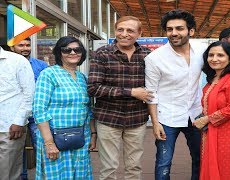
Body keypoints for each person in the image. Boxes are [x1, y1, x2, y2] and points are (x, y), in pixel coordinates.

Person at [87, 16, 152, 180]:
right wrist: (130, 92)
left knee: (134, 167)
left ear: (139, 33)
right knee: (108, 168)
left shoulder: (148, 55)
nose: (124, 34)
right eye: (120, 30)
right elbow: (93, 88)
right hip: (109, 118)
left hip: (137, 119)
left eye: (130, 30)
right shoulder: (102, 53)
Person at [145, 9, 204, 180]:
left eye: (179, 28)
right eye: (169, 29)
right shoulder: (155, 58)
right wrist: (155, 123)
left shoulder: (202, 51)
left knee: (200, 158)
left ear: (190, 31)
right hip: (166, 117)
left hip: (195, 114)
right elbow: (151, 93)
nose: (174, 33)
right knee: (164, 162)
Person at [33, 36, 96, 179]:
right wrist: (49, 143)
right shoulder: (49, 74)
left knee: (80, 175)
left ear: (82, 53)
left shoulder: (82, 78)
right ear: (59, 53)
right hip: (55, 138)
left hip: (80, 138)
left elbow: (88, 109)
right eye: (67, 50)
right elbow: (39, 110)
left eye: (77, 49)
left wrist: (93, 135)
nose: (73, 53)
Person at [192, 41, 230, 180]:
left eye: (220, 55)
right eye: (211, 55)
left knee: (226, 168)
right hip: (212, 130)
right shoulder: (213, 77)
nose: (214, 59)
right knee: (211, 163)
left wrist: (207, 119)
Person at [10, 37, 48, 180]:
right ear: (12, 48)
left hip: (36, 116)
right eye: (21, 45)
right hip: (15, 116)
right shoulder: (7, 64)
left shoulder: (41, 65)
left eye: (27, 45)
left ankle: (43, 176)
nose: (25, 48)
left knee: (42, 149)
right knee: (17, 152)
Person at [0, 46, 35, 179]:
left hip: (9, 127)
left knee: (7, 173)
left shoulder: (17, 61)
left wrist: (19, 121)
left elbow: (29, 94)